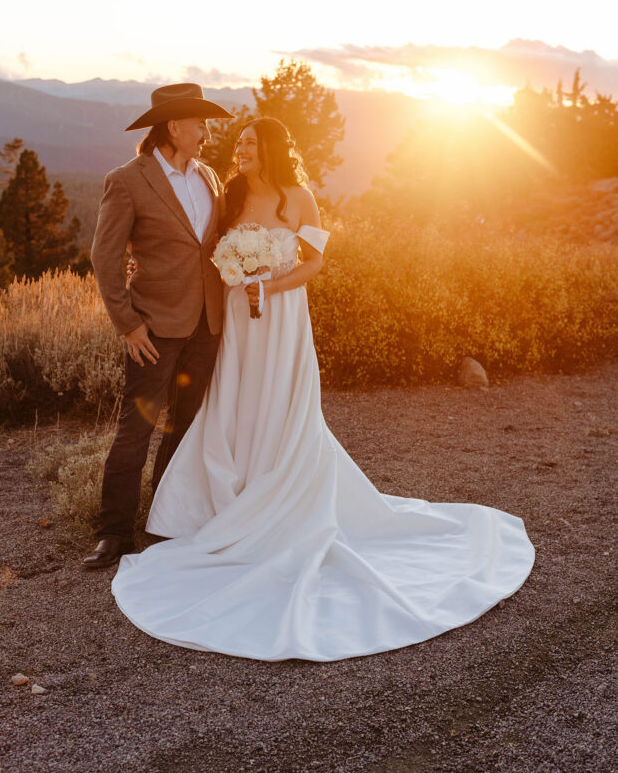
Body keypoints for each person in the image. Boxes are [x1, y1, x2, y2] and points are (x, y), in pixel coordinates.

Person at [110, 118, 535, 661]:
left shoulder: (300, 199)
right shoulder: (230, 193)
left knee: (281, 401)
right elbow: (199, 246)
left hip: (282, 316)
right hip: (238, 321)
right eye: (235, 142)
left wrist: (268, 282)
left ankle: (280, 495)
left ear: (268, 149)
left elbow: (315, 262)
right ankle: (223, 499)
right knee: (233, 402)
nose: (238, 149)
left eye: (247, 143)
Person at [82, 82, 233, 570]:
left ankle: (165, 520)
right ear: (175, 127)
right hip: (153, 329)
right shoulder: (127, 179)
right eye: (200, 123)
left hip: (208, 323)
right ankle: (114, 532)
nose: (207, 132)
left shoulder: (209, 176)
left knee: (184, 427)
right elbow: (104, 258)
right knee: (136, 431)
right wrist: (128, 324)